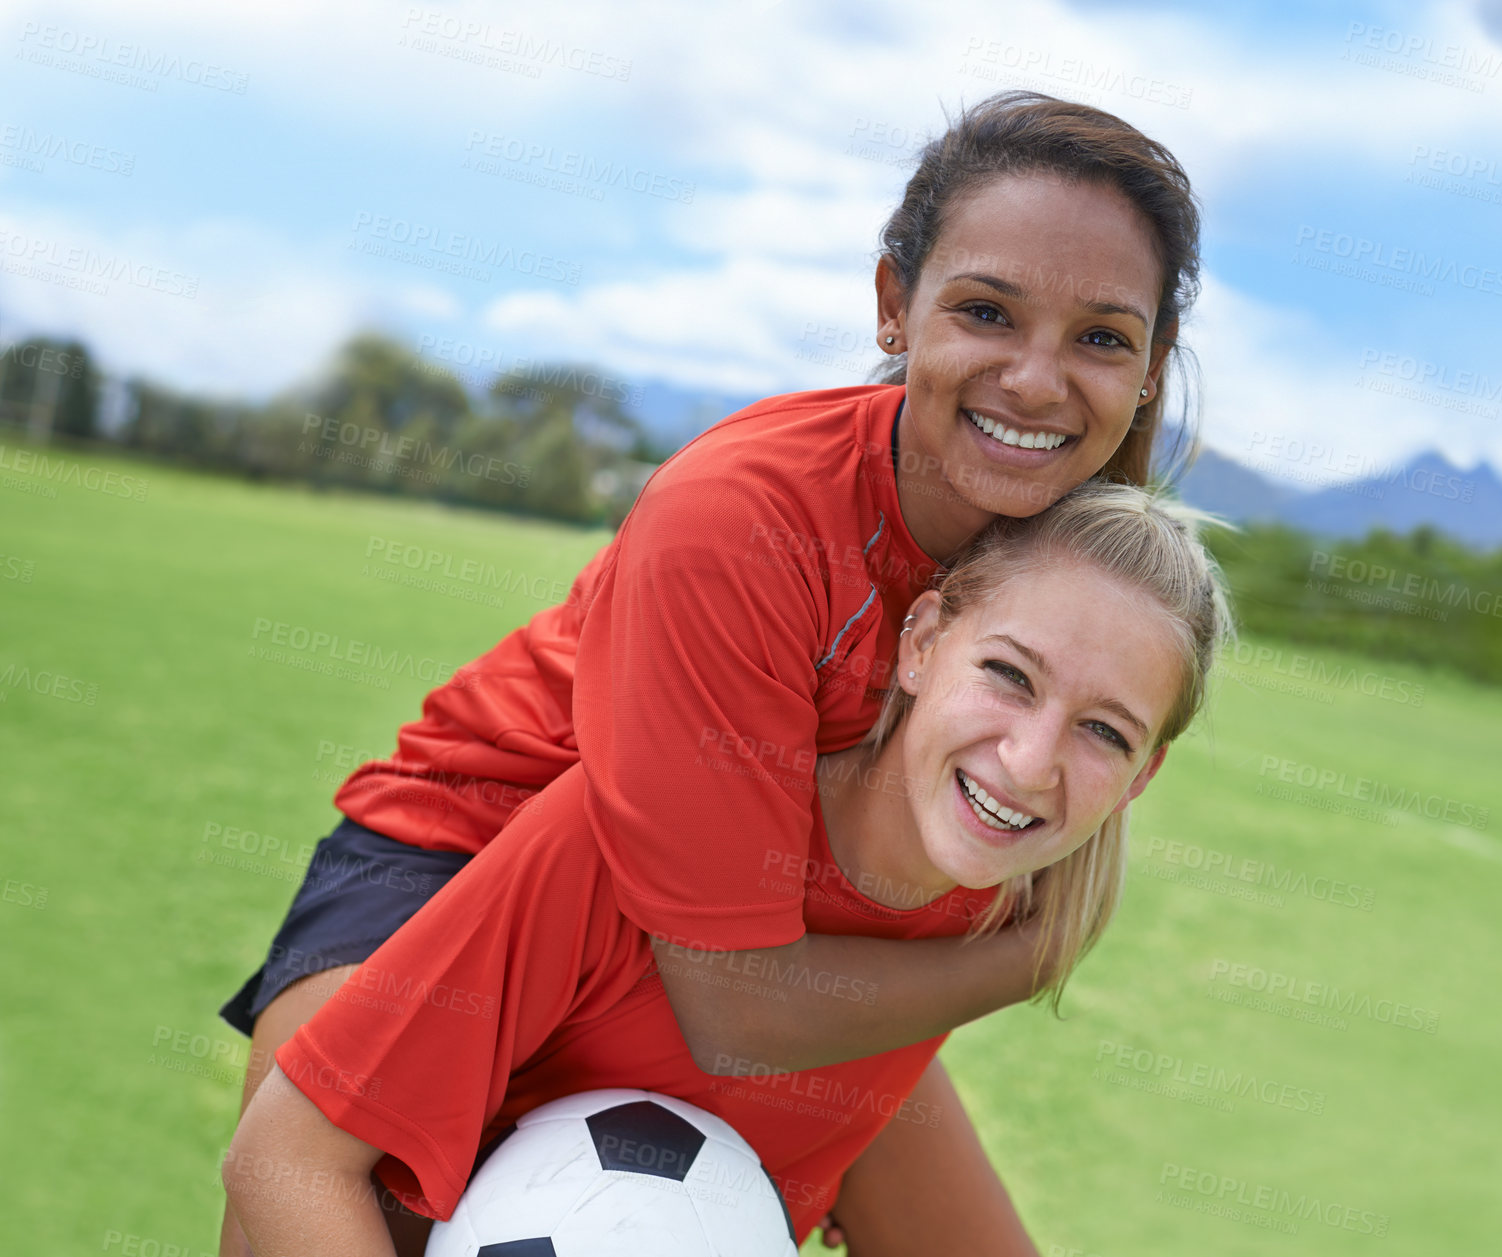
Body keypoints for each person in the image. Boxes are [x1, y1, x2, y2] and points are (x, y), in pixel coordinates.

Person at [217, 91, 1204, 1255]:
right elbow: (734, 1002)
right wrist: (1022, 960)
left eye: (1101, 336)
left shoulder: (1069, 597)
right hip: (480, 858)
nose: (1039, 382)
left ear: (1150, 371)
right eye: (988, 310)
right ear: (896, 306)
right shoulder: (744, 517)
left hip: (767, 926)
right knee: (320, 1189)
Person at [224, 481, 1233, 1256]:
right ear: (920, 640)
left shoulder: (1003, 900)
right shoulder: (644, 834)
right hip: (443, 1024)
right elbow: (284, 1159)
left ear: (1143, 776)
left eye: (1104, 731)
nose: (1030, 761)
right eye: (1009, 676)